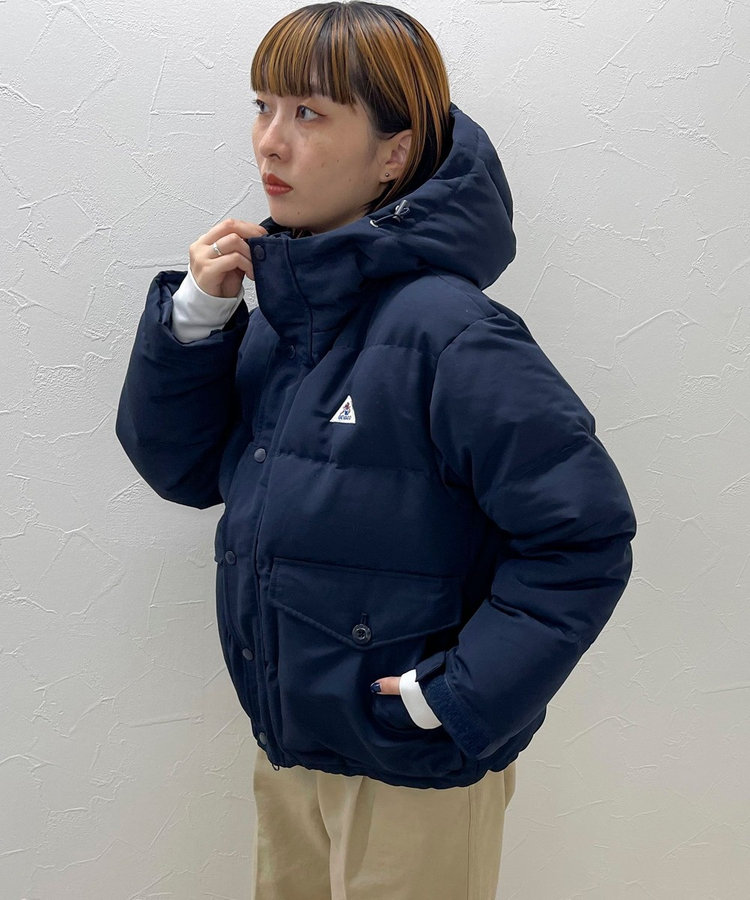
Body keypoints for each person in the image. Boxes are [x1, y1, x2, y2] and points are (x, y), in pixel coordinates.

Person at [115, 2, 637, 898]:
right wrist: (196, 322)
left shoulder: (450, 331)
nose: (270, 141)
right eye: (263, 106)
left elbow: (583, 537)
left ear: (393, 155)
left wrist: (459, 698)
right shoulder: (287, 320)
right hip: (292, 751)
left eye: (309, 113)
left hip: (413, 771)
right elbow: (187, 471)